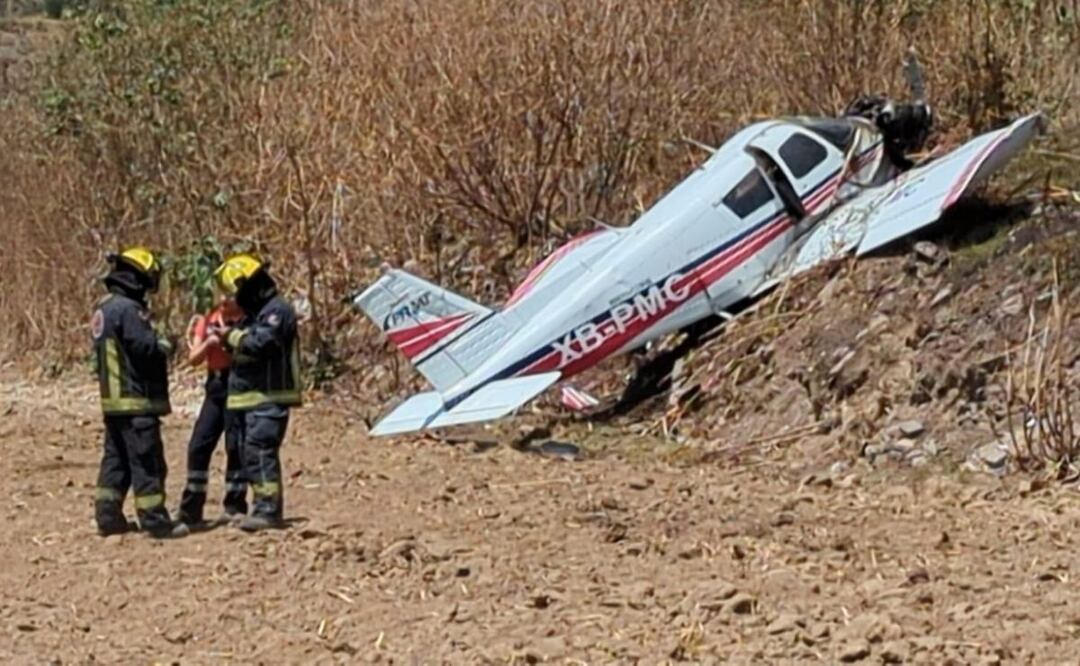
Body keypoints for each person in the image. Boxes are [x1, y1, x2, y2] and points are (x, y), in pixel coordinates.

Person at [91, 247, 188, 539]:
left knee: (116, 462)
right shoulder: (128, 310)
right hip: (136, 402)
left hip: (115, 404)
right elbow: (146, 348)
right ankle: (155, 521)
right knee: (148, 463)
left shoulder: (104, 309)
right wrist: (167, 343)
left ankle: (108, 517)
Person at [211, 254, 302, 532]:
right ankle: (244, 506)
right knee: (243, 452)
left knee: (260, 452)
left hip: (268, 398)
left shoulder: (278, 311)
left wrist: (231, 337)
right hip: (247, 398)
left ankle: (268, 510)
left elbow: (263, 342)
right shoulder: (254, 315)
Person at [176, 294, 247, 527]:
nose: (225, 300)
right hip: (215, 388)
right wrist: (209, 343)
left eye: (231, 296)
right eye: (222, 295)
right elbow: (193, 358)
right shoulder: (207, 321)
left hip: (236, 384)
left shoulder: (246, 322)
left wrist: (230, 340)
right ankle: (191, 509)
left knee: (235, 446)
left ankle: (235, 506)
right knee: (199, 445)